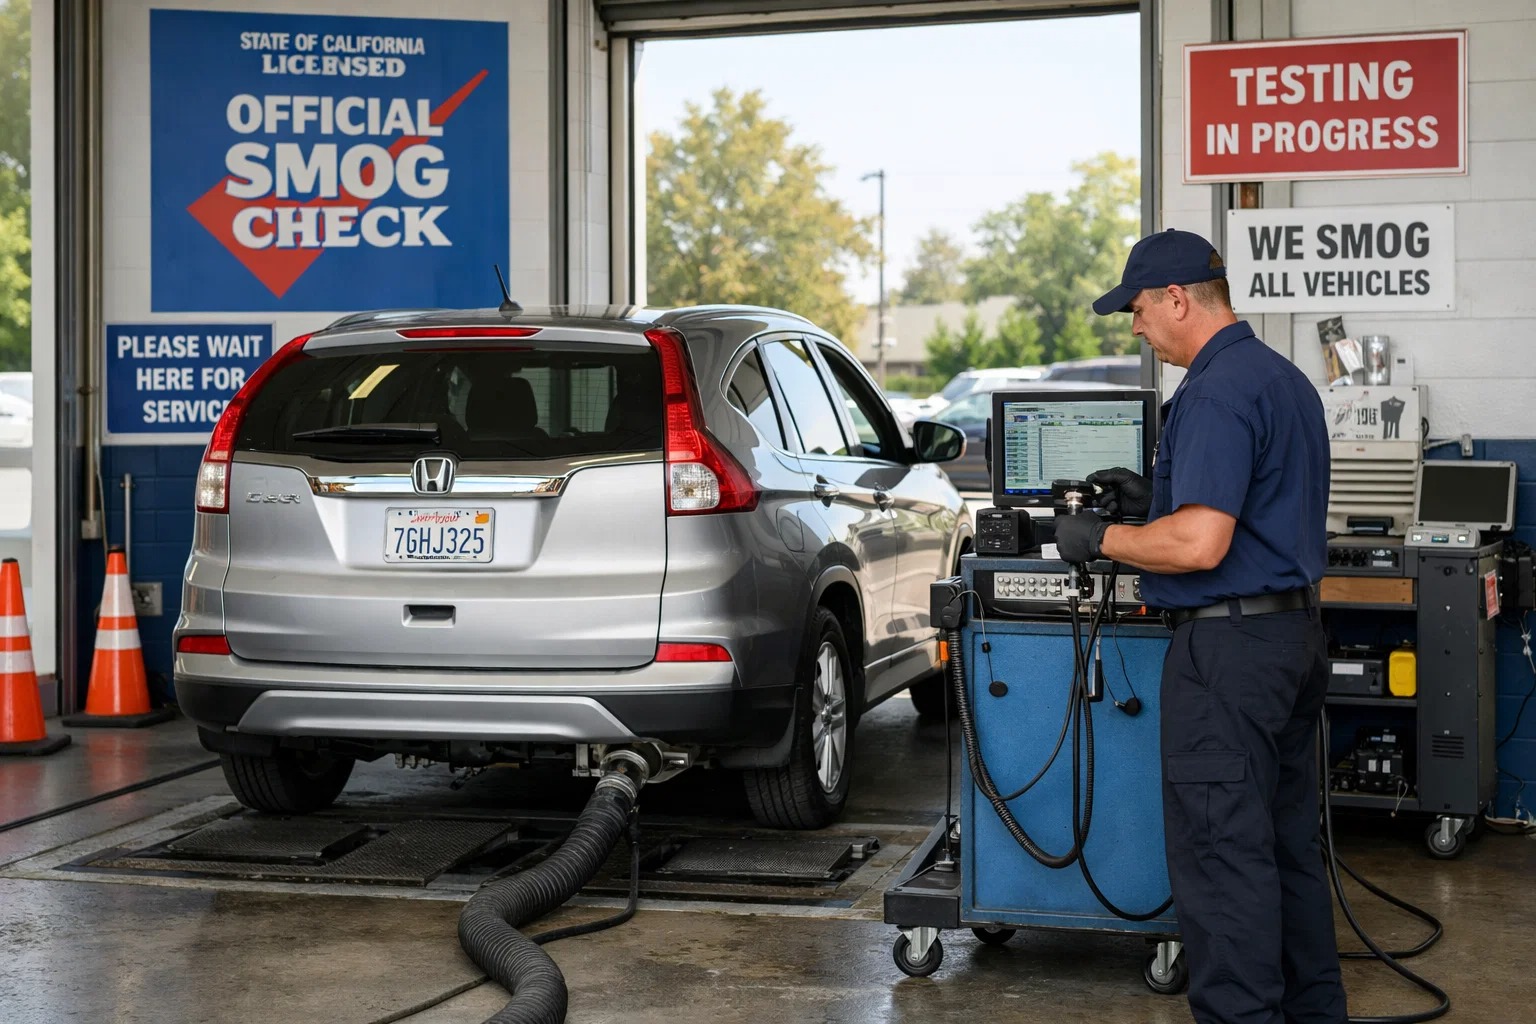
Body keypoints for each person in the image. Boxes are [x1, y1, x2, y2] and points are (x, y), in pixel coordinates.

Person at [1054, 229, 1347, 1024]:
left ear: (1179, 299)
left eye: (1141, 310)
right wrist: (1153, 498)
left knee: (1222, 866)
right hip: (1289, 644)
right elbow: (1250, 512)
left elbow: (1202, 542)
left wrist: (1101, 538)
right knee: (1285, 856)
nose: (1137, 328)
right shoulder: (1281, 380)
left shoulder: (1215, 391)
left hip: (1229, 657)